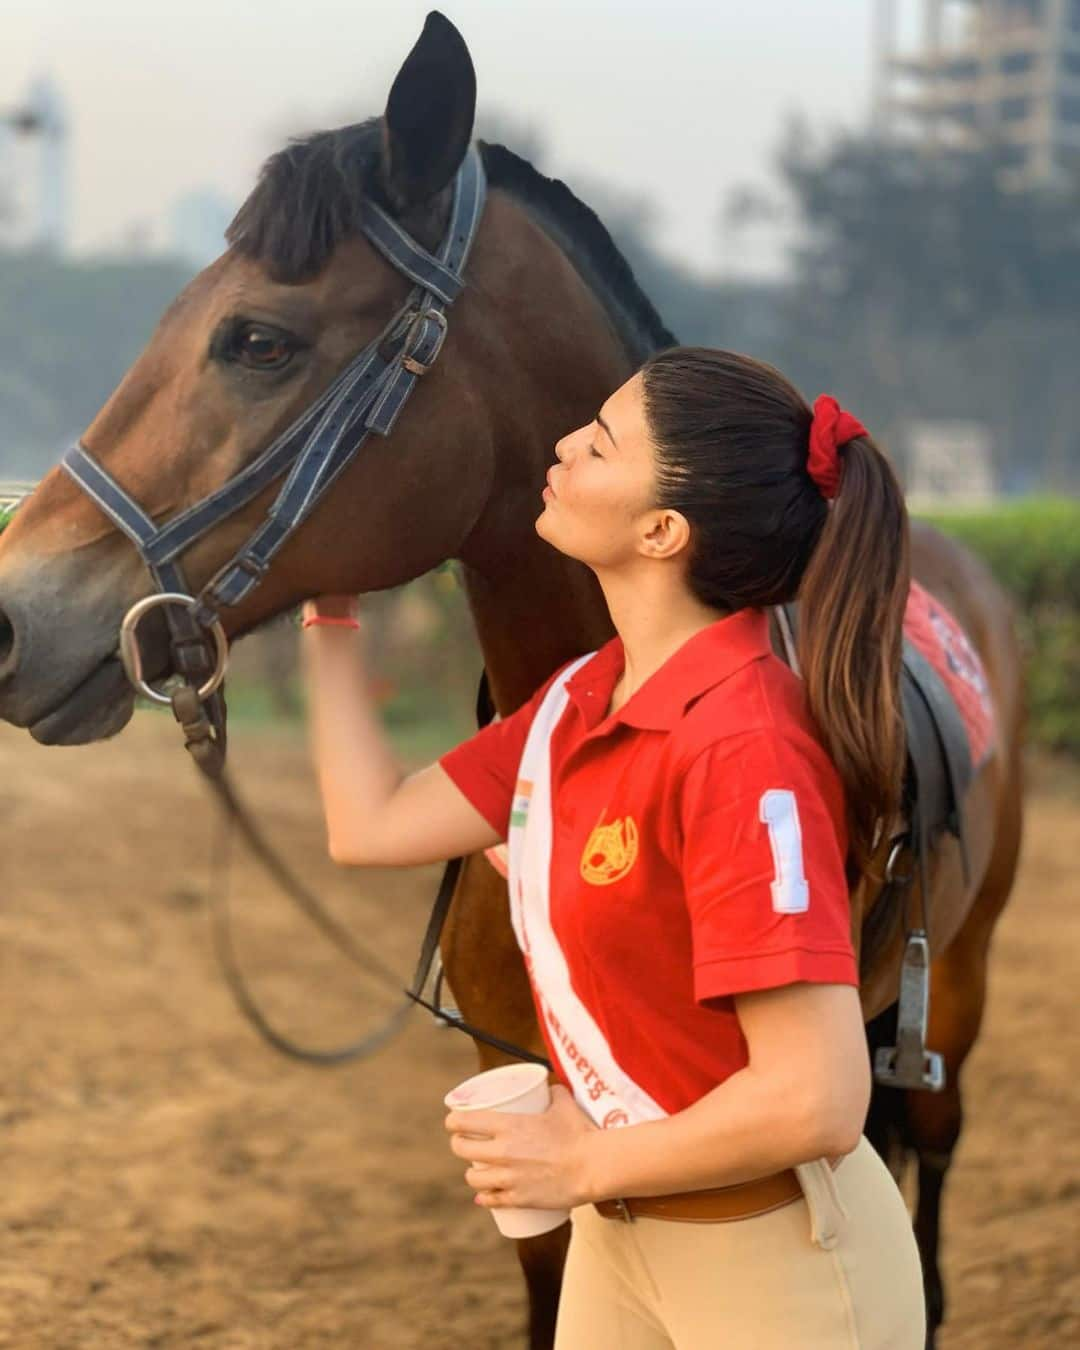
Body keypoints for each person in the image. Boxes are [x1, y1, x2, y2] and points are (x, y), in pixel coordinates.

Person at [301, 347, 926, 1348]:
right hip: (621, 1244)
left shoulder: (743, 746)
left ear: (662, 530)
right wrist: (329, 607)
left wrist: (578, 1165)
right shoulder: (583, 700)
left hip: (778, 1266)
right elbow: (370, 822)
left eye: (597, 443)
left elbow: (818, 1098)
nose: (561, 448)